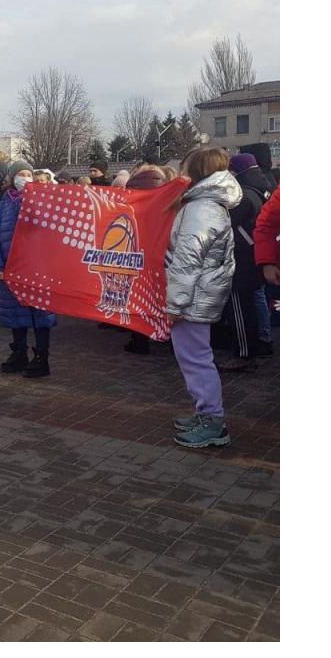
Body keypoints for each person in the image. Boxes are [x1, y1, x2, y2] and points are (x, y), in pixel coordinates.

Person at [165, 147, 241, 449]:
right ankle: (205, 413)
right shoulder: (207, 203)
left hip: (194, 297)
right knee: (195, 356)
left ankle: (213, 420)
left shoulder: (201, 207)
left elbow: (187, 260)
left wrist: (176, 304)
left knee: (195, 358)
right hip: (200, 293)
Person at [0, 162, 56, 377]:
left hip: (38, 269)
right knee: (14, 313)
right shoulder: (0, 207)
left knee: (40, 314)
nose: (25, 178)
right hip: (11, 269)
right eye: (21, 174)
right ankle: (19, 353)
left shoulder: (44, 202)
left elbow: (51, 233)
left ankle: (41, 357)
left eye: (29, 174)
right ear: (12, 178)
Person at [217, 153, 274, 370]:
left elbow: (227, 223)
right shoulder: (261, 188)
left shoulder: (244, 196)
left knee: (240, 307)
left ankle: (243, 354)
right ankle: (256, 344)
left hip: (241, 258)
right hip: (253, 255)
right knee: (250, 302)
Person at [121, 165, 167, 354]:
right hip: (160, 255)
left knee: (136, 298)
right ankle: (163, 334)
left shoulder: (132, 200)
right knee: (158, 296)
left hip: (135, 253)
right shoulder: (167, 198)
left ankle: (139, 339)